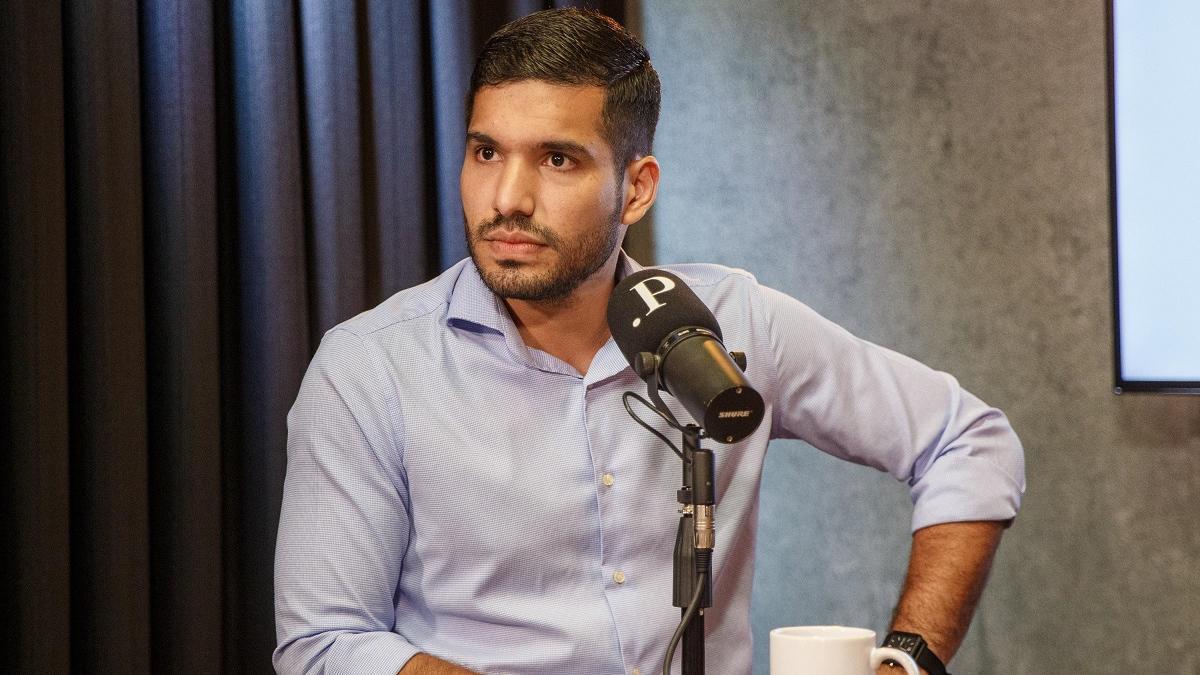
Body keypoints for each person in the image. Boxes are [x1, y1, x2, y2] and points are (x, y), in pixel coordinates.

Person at [273, 9, 1024, 675]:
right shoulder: (370, 367)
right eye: (486, 153)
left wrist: (909, 659)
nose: (507, 198)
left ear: (636, 187)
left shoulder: (735, 321)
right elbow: (324, 642)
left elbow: (966, 439)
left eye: (557, 159)